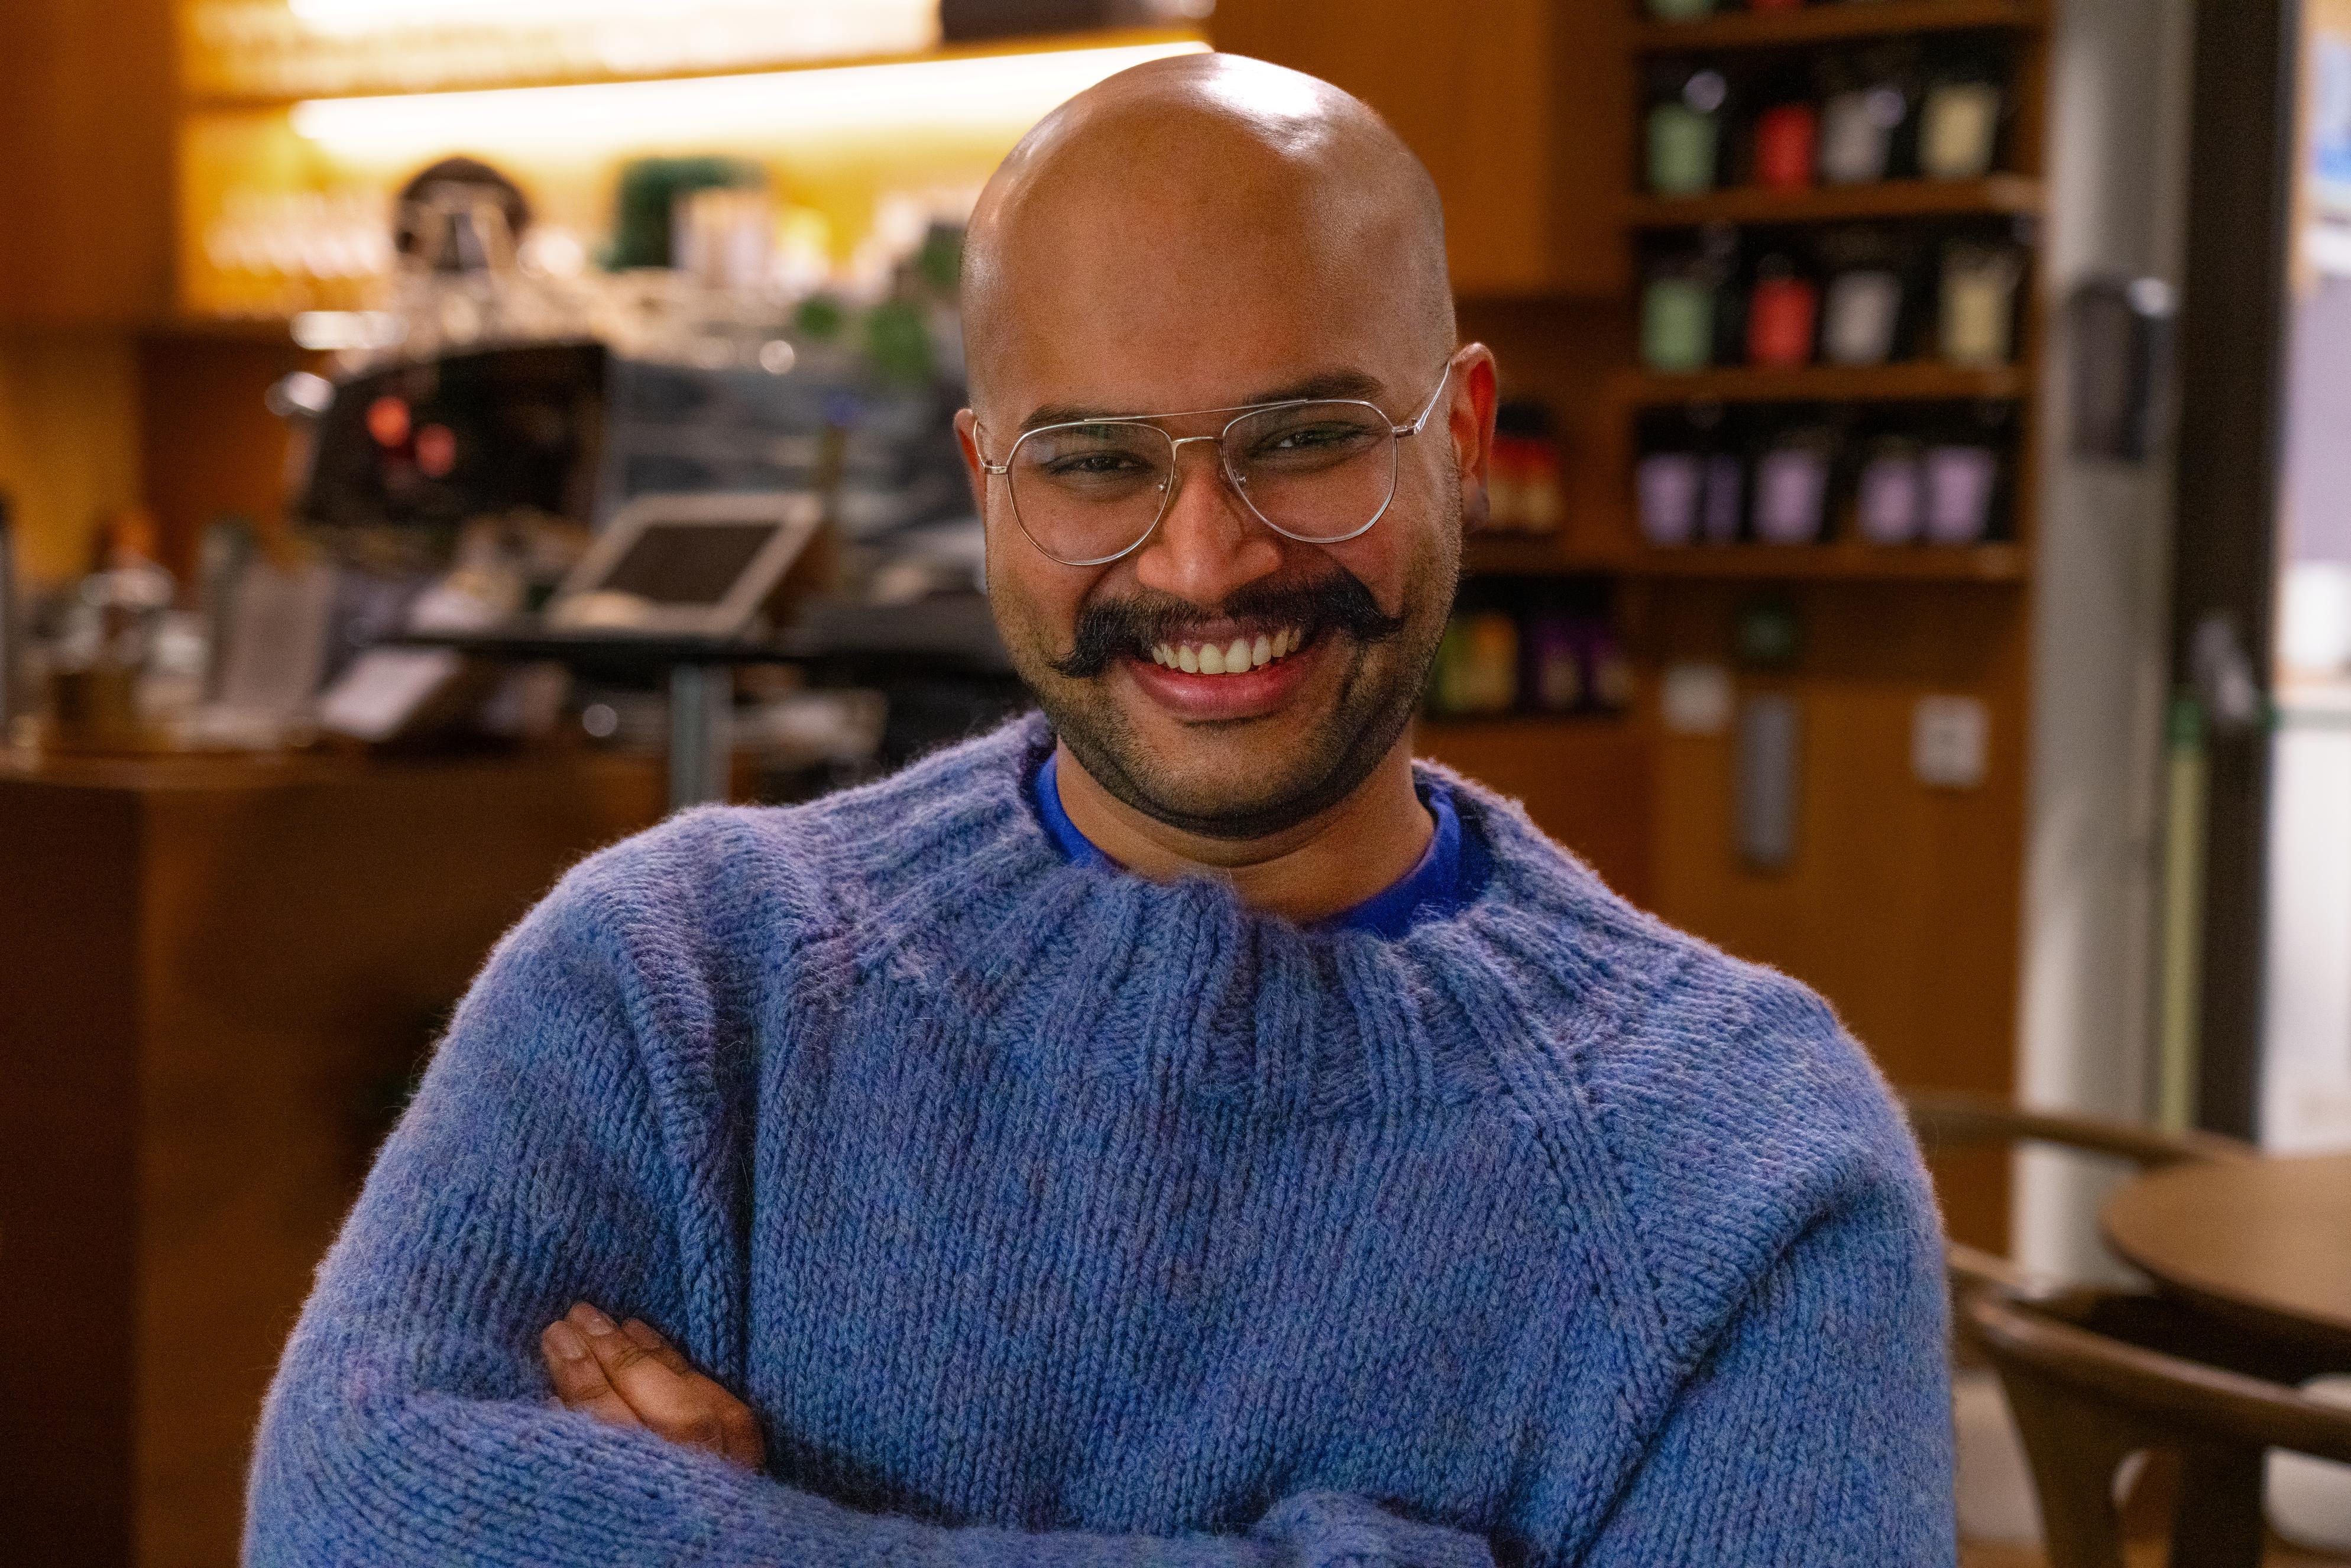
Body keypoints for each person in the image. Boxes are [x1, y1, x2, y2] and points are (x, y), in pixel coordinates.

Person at [245, 53, 1955, 1568]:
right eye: (1095, 463)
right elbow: (339, 1517)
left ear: (1468, 440)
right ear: (993, 484)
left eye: (1306, 438)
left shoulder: (1750, 1162)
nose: (1204, 557)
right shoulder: (680, 984)